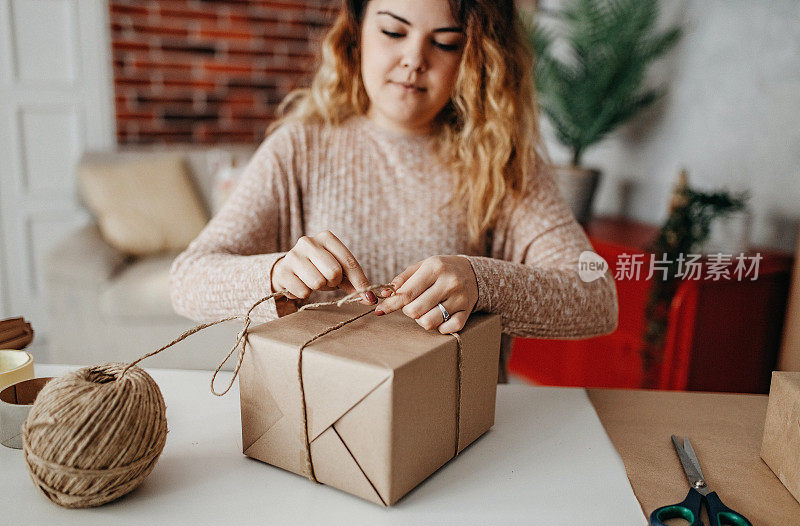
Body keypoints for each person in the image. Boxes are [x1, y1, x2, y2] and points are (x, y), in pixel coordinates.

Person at [170, 0, 618, 382]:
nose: (414, 59)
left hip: (457, 431)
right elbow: (186, 279)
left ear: (475, 56)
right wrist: (276, 275)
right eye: (392, 31)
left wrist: (482, 284)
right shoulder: (299, 147)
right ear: (356, 33)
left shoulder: (504, 162)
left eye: (445, 42)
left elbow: (597, 296)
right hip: (319, 418)